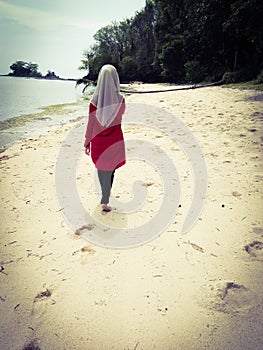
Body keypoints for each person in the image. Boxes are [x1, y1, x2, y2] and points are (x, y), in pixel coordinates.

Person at [84, 64, 126, 212]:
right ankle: (105, 199)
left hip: (97, 140)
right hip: (114, 140)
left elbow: (90, 124)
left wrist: (87, 142)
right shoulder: (121, 100)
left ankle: (104, 195)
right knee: (111, 170)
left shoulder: (93, 103)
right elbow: (119, 117)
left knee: (102, 168)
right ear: (115, 79)